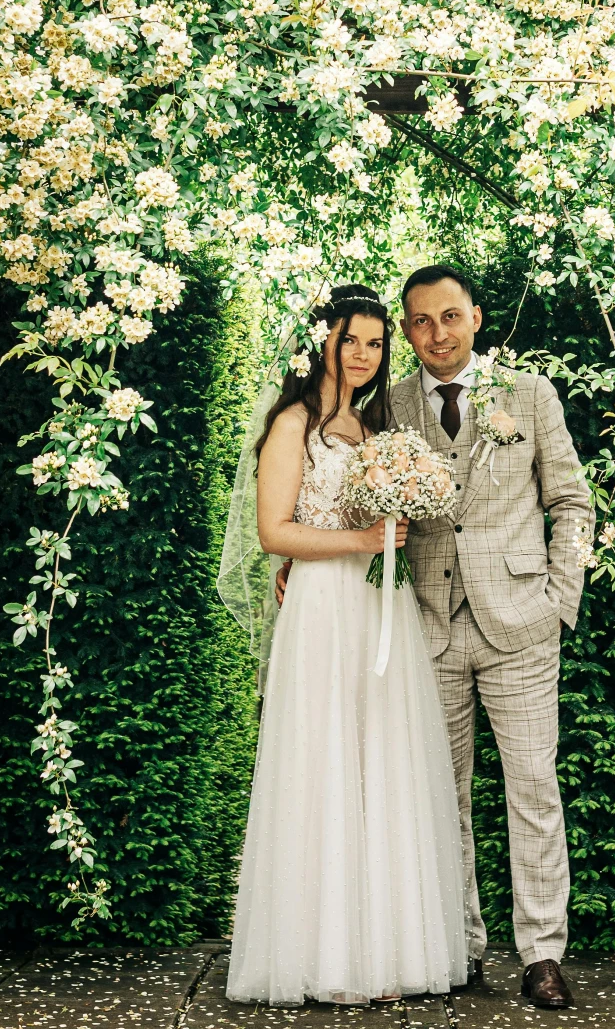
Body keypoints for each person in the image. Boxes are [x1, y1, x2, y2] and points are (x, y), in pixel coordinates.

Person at [218, 285, 466, 1006]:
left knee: (379, 764)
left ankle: (382, 953)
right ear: (321, 339)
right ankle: (320, 955)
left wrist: (397, 514)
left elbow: (373, 516)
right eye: (351, 338)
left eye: (376, 342)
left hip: (375, 605)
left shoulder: (373, 428)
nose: (364, 354)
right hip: (324, 611)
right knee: (323, 767)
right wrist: (355, 540)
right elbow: (273, 531)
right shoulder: (293, 423)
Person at [390, 265, 592, 1011]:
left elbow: (573, 503)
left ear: (476, 316)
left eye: (449, 316)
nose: (436, 333)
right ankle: (459, 944)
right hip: (431, 626)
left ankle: (542, 951)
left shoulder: (530, 395)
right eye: (419, 320)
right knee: (441, 796)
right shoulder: (392, 404)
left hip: (521, 624)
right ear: (407, 328)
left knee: (533, 788)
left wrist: (557, 600)